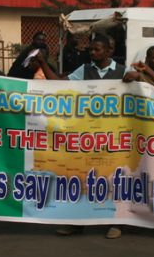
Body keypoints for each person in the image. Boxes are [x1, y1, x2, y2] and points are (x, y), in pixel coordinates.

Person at [34, 34, 128, 239]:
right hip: (87, 134)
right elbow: (59, 85)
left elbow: (142, 86)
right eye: (91, 50)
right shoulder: (84, 70)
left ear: (109, 52)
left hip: (113, 135)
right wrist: (43, 63)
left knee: (114, 179)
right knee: (83, 178)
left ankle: (117, 223)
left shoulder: (123, 71)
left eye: (97, 50)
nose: (92, 53)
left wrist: (136, 78)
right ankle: (77, 222)